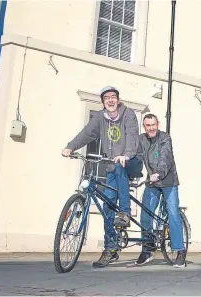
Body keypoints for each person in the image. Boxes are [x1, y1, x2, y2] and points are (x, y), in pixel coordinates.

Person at [62, 85, 142, 268]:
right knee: (107, 205)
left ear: (118, 100)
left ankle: (125, 212)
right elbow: (86, 134)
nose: (111, 100)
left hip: (131, 161)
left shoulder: (128, 114)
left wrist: (126, 154)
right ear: (103, 102)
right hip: (112, 166)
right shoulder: (99, 118)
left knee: (119, 166)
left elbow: (132, 137)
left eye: (113, 97)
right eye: (107, 98)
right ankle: (110, 249)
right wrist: (70, 147)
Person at [134, 113, 187, 268]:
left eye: (153, 125)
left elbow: (165, 157)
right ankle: (147, 249)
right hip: (152, 182)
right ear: (144, 126)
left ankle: (179, 251)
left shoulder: (165, 138)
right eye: (148, 125)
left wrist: (159, 173)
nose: (151, 128)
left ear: (158, 124)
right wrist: (132, 174)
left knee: (172, 213)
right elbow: (137, 158)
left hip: (168, 181)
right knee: (145, 214)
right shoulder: (141, 139)